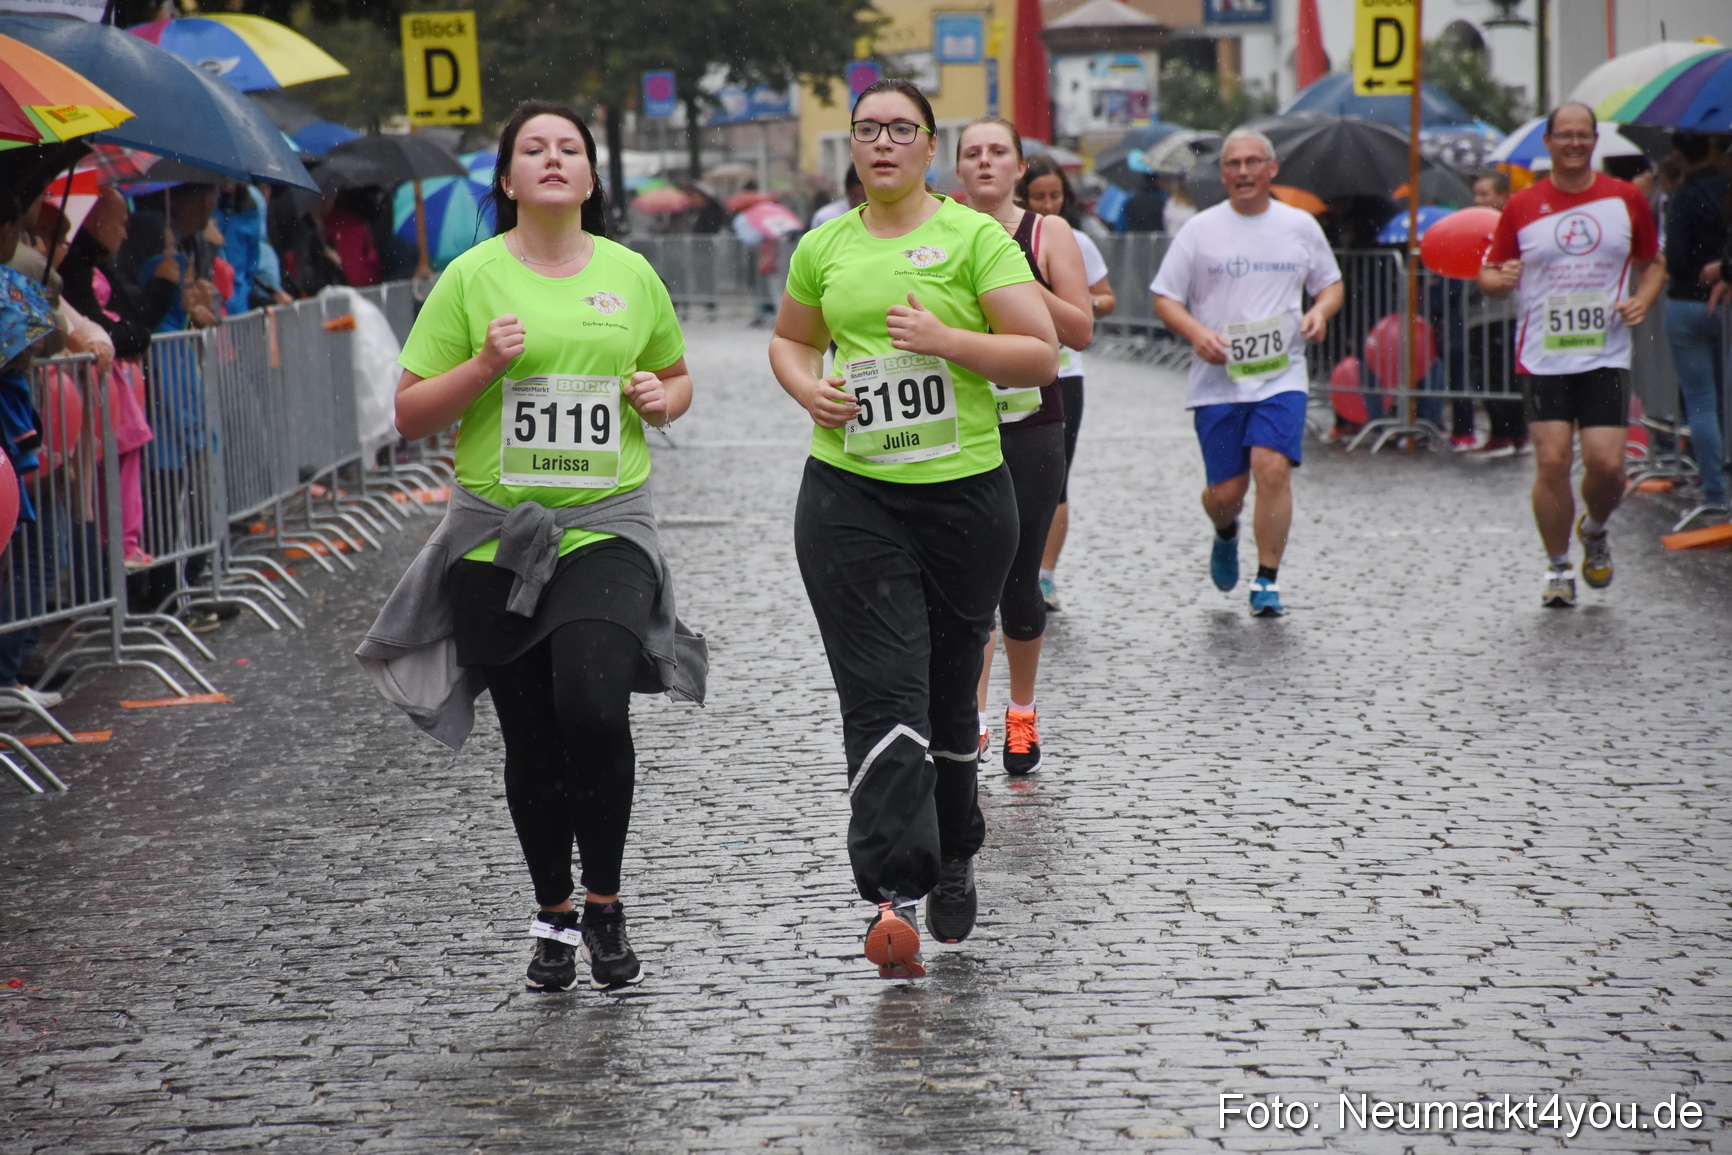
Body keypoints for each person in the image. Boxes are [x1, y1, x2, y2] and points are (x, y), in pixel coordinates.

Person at [356, 100, 707, 993]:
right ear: (507, 179)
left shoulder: (630, 275)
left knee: (593, 705)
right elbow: (407, 410)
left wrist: (661, 400)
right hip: (495, 541)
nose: (553, 160)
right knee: (534, 741)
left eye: (570, 149)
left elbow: (675, 377)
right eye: (533, 149)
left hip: (608, 530)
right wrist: (480, 369)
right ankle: (553, 912)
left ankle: (606, 899)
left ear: (592, 177)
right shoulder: (471, 278)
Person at [768, 79, 1056, 977]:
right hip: (849, 494)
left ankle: (958, 845)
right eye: (868, 131)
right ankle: (893, 887)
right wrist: (804, 382)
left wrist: (949, 342)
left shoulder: (974, 237)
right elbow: (789, 339)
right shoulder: (824, 245)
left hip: (966, 498)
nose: (883, 143)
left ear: (932, 146)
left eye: (902, 130)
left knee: (943, 686)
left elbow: (1040, 351)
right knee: (880, 685)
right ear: (851, 147)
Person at [1152, 128, 1343, 617]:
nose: (1243, 172)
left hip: (1282, 374)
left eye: (1252, 162)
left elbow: (1331, 285)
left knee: (1272, 468)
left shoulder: (1299, 226)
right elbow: (1164, 298)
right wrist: (1198, 335)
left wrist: (1320, 313)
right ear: (1222, 174)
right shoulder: (1200, 229)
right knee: (1225, 494)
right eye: (1233, 164)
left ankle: (1267, 580)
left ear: (1271, 169)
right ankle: (1224, 530)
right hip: (1217, 381)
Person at [1480, 102, 1664, 607]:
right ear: (1549, 141)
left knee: (1608, 467)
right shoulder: (1523, 204)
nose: (1575, 143)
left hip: (1605, 353)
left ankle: (1596, 528)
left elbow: (1653, 263)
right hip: (1544, 355)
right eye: (1566, 135)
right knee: (1554, 461)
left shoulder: (1626, 199)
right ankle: (1558, 566)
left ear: (1594, 140)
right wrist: (1501, 280)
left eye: (1584, 135)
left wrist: (1641, 301)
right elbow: (1490, 273)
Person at [955, 122, 1092, 776]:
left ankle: (1021, 711)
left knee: (1018, 581)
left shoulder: (1047, 233)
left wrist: (1009, 277)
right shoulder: (939, 229)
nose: (985, 162)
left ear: (1018, 166)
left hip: (1034, 421)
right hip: (958, 420)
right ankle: (972, 718)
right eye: (972, 153)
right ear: (955, 166)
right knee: (966, 578)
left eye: (997, 152)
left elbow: (1081, 328)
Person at [1019, 155, 1114, 614]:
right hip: (1007, 369)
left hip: (1063, 371)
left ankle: (1045, 575)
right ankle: (1007, 570)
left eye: (1055, 196)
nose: (1048, 204)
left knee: (1053, 480)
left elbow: (1102, 301)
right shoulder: (992, 236)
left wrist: (1084, 300)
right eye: (1039, 197)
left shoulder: (1074, 241)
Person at [1658, 132, 1729, 519]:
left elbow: (1677, 256)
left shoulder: (1686, 197)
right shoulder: (1726, 188)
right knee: (1726, 400)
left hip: (1688, 301)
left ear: (1678, 154)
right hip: (1728, 301)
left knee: (1701, 402)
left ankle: (1716, 491)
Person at [1460, 171, 1530, 458]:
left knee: (1502, 375)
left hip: (1504, 312)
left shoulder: (1511, 224)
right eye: (1476, 194)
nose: (1478, 200)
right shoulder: (1472, 225)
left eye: (1485, 193)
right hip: (1478, 313)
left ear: (1503, 196)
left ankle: (1513, 431)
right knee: (1483, 374)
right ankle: (1500, 431)